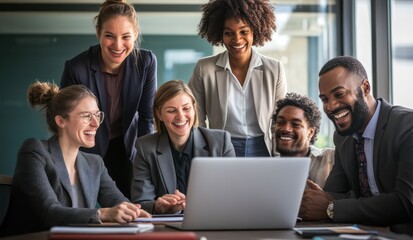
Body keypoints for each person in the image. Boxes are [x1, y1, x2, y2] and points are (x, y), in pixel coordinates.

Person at [299, 56, 413, 239]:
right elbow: (333, 195)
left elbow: (406, 204)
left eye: (339, 94)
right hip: (363, 233)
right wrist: (322, 203)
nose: (331, 106)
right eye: (324, 99)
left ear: (365, 88)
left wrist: (331, 208)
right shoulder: (343, 138)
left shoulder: (409, 125)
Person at [0, 81, 151, 236]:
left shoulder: (95, 163)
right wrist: (103, 214)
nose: (95, 124)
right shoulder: (35, 151)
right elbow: (49, 212)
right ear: (61, 121)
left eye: (97, 115)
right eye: (86, 116)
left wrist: (148, 209)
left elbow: (121, 204)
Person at [60, 0, 157, 199]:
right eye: (109, 36)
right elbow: (67, 123)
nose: (118, 45)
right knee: (81, 210)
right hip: (88, 147)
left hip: (127, 147)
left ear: (136, 33)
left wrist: (144, 160)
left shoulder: (146, 62)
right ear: (98, 33)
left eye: (126, 37)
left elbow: (147, 117)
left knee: (131, 209)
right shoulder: (76, 68)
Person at [188, 0, 287, 157]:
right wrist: (204, 152)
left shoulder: (274, 69)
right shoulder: (204, 68)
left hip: (263, 147)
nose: (237, 39)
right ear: (220, 34)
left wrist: (280, 155)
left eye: (244, 32)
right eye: (229, 33)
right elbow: (195, 118)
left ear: (255, 31)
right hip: (221, 147)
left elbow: (281, 120)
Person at [131, 80, 236, 214]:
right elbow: (141, 202)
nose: (180, 116)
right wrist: (159, 206)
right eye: (171, 110)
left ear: (194, 108)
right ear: (159, 114)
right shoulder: (145, 147)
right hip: (166, 228)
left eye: (186, 108)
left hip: (211, 220)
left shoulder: (220, 142)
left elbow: (232, 194)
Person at [272, 92, 335, 188]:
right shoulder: (268, 169)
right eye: (280, 122)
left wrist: (329, 201)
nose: (286, 129)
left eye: (295, 124)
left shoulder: (330, 159)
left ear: (310, 133)